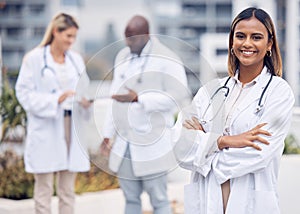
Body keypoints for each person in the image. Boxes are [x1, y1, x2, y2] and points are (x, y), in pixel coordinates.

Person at [173, 7, 295, 214]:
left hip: (250, 205)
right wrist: (224, 141)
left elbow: (259, 154)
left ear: (269, 45)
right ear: (232, 43)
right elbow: (179, 145)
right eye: (240, 36)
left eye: (256, 37)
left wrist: (203, 150)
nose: (247, 43)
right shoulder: (211, 91)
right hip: (207, 203)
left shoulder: (278, 92)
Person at [100, 15, 189, 214]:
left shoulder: (167, 58)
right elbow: (114, 98)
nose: (128, 43)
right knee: (130, 199)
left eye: (132, 38)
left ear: (146, 35)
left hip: (153, 144)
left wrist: (140, 99)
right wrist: (107, 134)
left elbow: (179, 96)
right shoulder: (122, 56)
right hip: (125, 145)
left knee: (159, 201)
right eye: (126, 38)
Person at [15, 13, 91, 214]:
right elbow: (22, 93)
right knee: (44, 189)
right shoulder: (34, 59)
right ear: (56, 32)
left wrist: (85, 100)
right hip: (47, 124)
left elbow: (85, 87)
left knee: (67, 190)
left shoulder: (75, 59)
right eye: (68, 36)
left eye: (74, 37)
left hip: (71, 126)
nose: (71, 41)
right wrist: (54, 100)